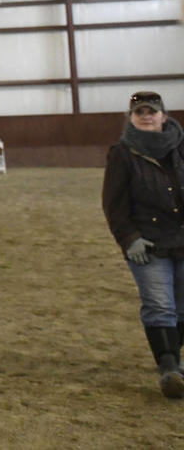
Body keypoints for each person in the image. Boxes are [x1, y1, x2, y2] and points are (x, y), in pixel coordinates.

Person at [101, 90, 184, 399]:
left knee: (182, 306)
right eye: (140, 112)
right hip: (148, 244)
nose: (146, 115)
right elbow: (114, 203)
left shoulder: (181, 146)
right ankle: (169, 369)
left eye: (152, 111)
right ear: (132, 118)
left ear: (163, 115)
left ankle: (173, 360)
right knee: (160, 305)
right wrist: (130, 239)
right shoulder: (122, 153)